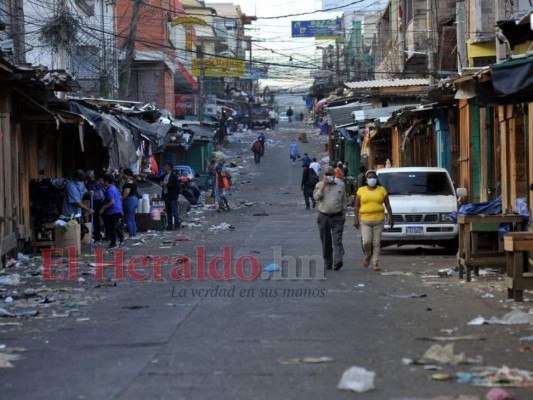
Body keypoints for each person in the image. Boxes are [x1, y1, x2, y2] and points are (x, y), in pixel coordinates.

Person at [354, 170, 394, 271]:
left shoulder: (382, 190)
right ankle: (368, 255)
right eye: (370, 177)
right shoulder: (361, 190)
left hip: (379, 220)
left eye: (374, 177)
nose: (372, 179)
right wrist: (355, 219)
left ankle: (375, 263)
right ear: (366, 180)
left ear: (376, 179)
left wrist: (390, 217)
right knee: (366, 242)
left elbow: (387, 205)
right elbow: (357, 206)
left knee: (376, 243)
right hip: (365, 220)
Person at [313, 166, 347, 271]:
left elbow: (344, 202)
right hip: (323, 216)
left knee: (337, 240)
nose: (329, 176)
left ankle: (338, 261)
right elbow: (316, 198)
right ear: (323, 175)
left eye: (330, 174)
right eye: (326, 174)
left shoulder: (341, 185)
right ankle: (328, 262)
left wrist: (343, 215)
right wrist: (323, 185)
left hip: (337, 217)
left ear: (334, 175)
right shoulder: (319, 185)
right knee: (326, 241)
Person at [99, 174, 124, 250]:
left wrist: (103, 208)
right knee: (115, 226)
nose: (102, 183)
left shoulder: (109, 190)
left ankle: (113, 243)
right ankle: (120, 238)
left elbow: (112, 202)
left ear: (106, 181)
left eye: (103, 181)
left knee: (112, 227)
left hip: (113, 211)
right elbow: (119, 198)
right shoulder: (115, 188)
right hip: (117, 210)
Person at [85, 170, 105, 242]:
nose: (90, 178)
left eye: (90, 177)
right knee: (95, 220)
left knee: (96, 220)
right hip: (94, 203)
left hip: (97, 203)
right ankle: (97, 236)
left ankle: (98, 236)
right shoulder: (89, 184)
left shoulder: (95, 183)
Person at [161, 163, 181, 230]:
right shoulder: (165, 176)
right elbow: (157, 179)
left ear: (169, 167)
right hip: (166, 195)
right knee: (168, 211)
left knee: (175, 211)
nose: (164, 167)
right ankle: (170, 225)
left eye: (166, 166)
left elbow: (176, 186)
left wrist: (166, 184)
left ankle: (177, 225)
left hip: (172, 196)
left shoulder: (174, 176)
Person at [121, 168, 139, 239]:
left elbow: (126, 192)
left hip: (129, 200)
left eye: (123, 173)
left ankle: (131, 235)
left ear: (126, 174)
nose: (122, 175)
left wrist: (122, 199)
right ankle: (133, 234)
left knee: (128, 218)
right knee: (132, 218)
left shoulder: (129, 181)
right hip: (134, 199)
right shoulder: (134, 180)